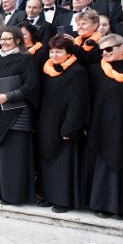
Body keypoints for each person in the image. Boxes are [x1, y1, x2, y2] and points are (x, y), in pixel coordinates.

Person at [86, 34, 123, 219]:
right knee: (105, 165)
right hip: (104, 125)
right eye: (101, 50)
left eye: (109, 49)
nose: (105, 53)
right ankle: (104, 205)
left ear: (122, 47)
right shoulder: (95, 71)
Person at [0, 26, 39, 205]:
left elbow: (31, 85)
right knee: (0, 155)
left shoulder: (26, 59)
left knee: (15, 158)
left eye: (9, 39)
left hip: (18, 114)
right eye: (2, 39)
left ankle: (14, 195)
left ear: (18, 40)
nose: (4, 42)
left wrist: (9, 96)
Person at [36, 35, 88, 213]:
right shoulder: (47, 69)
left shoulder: (77, 71)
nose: (54, 55)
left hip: (66, 125)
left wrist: (70, 127)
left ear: (68, 53)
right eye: (52, 51)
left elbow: (78, 102)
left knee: (63, 164)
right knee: (47, 160)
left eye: (59, 51)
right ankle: (47, 195)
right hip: (46, 121)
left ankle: (63, 200)